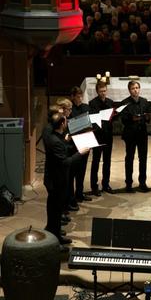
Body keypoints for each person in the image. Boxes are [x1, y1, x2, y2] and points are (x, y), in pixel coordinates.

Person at [43, 113, 89, 252]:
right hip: (56, 181)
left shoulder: (55, 136)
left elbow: (62, 149)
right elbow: (65, 162)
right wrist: (80, 153)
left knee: (57, 212)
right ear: (62, 124)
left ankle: (57, 236)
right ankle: (54, 243)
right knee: (54, 212)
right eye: (66, 121)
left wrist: (67, 140)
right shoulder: (55, 141)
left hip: (58, 179)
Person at [120, 81, 151, 193]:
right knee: (129, 159)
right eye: (133, 88)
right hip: (130, 135)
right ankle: (128, 184)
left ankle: (142, 183)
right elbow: (123, 120)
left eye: (137, 88)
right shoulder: (125, 103)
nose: (135, 90)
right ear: (129, 90)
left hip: (142, 134)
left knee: (143, 159)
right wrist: (131, 119)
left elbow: (149, 118)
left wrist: (147, 117)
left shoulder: (144, 101)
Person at [89, 81, 115, 196]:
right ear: (97, 91)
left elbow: (113, 118)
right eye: (101, 91)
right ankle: (94, 186)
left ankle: (106, 184)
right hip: (98, 136)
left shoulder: (110, 102)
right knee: (96, 161)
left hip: (108, 136)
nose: (103, 93)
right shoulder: (92, 103)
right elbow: (93, 120)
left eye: (104, 91)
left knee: (107, 161)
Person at [69, 86, 92, 203]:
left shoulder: (86, 107)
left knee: (82, 170)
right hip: (74, 144)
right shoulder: (70, 110)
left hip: (86, 141)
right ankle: (71, 196)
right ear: (72, 97)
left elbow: (92, 122)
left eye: (81, 96)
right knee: (73, 171)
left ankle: (80, 193)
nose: (80, 98)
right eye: (78, 96)